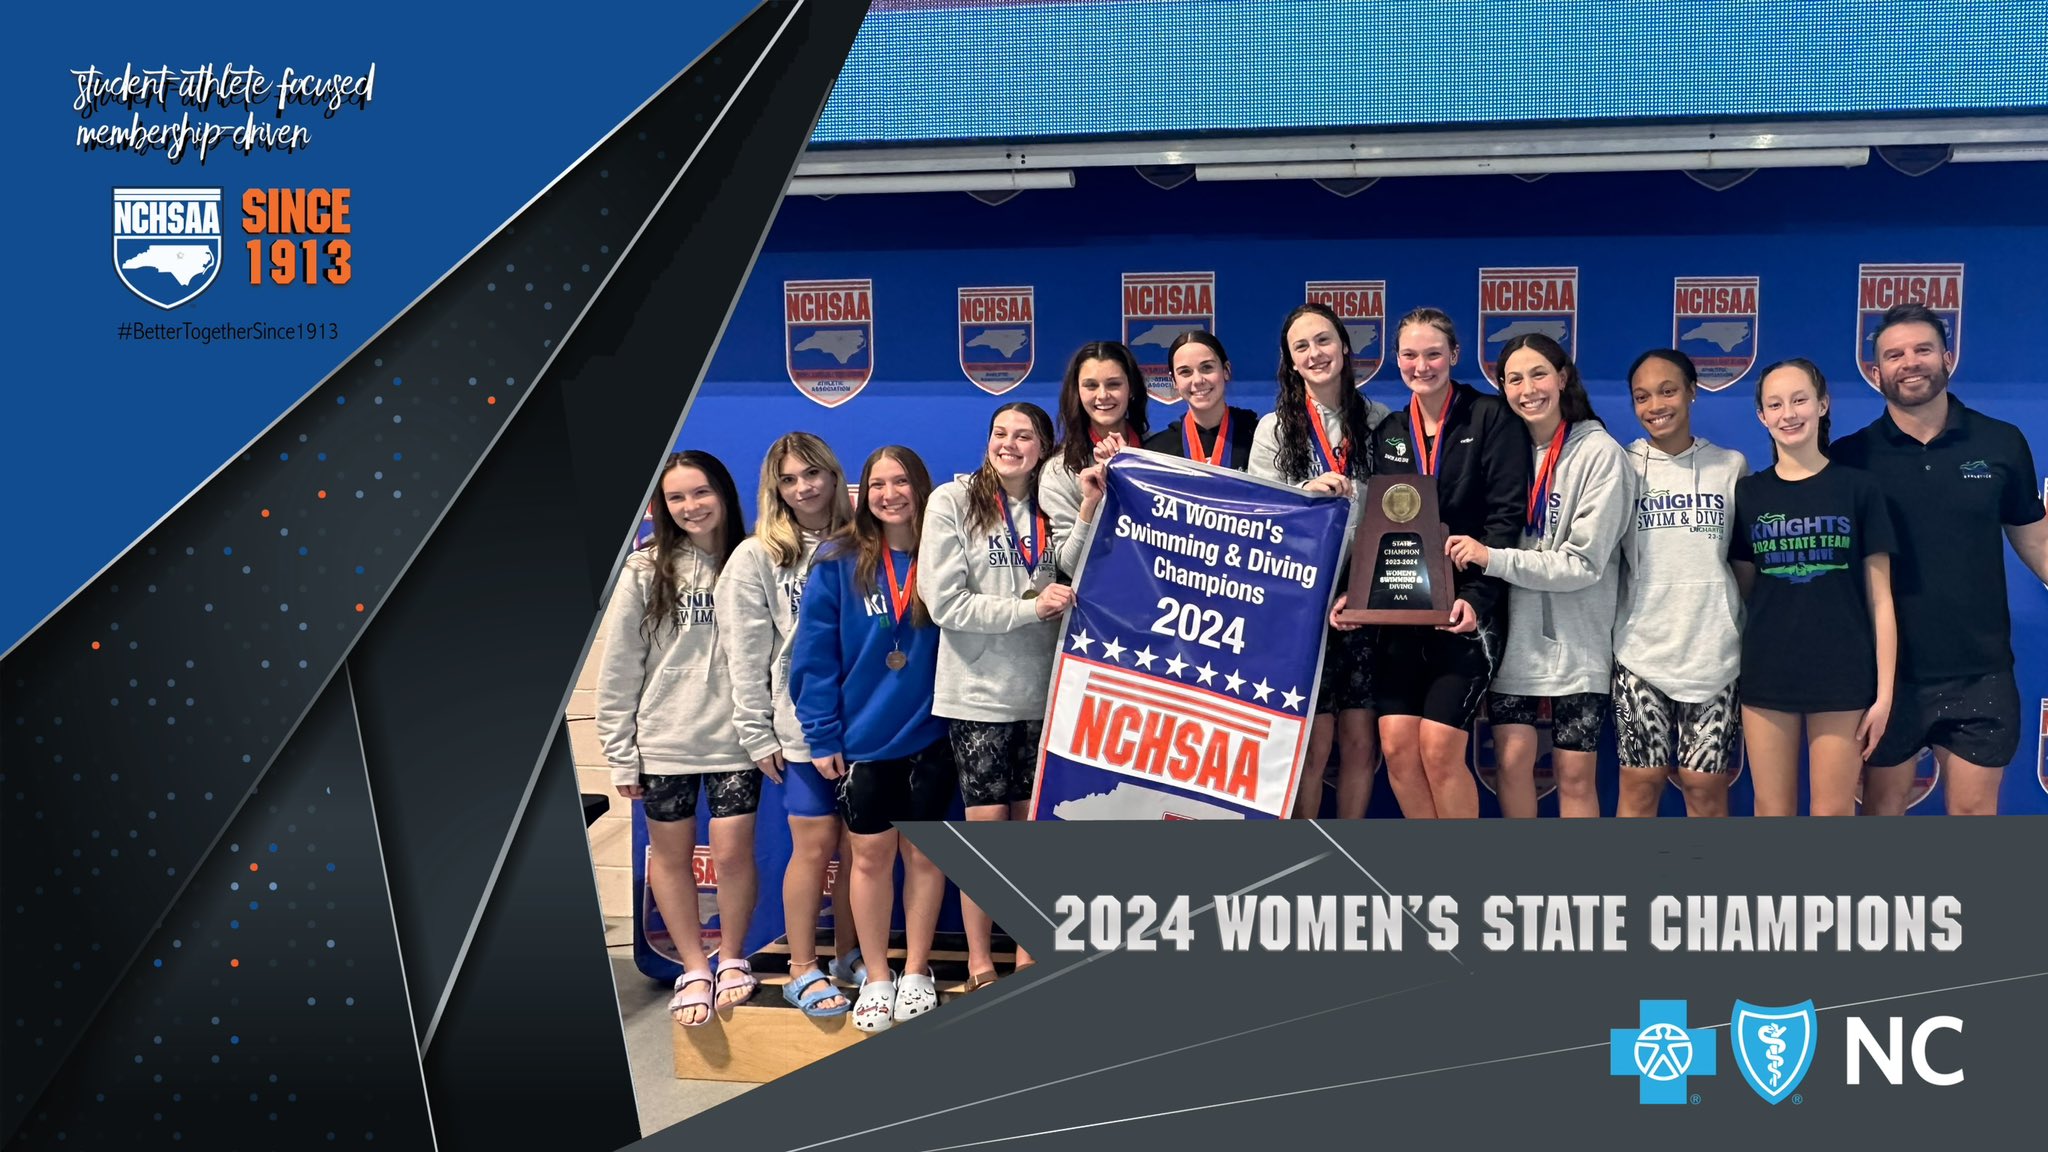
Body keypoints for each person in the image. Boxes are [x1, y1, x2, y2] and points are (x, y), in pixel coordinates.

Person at [1834, 302, 2048, 816]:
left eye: (1923, 349)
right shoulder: (1849, 459)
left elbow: (2038, 542)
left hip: (1980, 671)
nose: (1910, 362)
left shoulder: (2001, 442)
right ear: (1875, 372)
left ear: (1947, 358)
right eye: (1895, 355)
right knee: (1881, 815)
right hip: (1885, 676)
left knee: (1973, 820)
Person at [1335, 307, 1528, 820]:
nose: (1421, 366)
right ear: (1396, 359)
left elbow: (1506, 518)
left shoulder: (1490, 417)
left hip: (1466, 614)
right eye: (1410, 355)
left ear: (1455, 355)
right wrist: (1357, 592)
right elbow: (1380, 526)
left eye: (1433, 354)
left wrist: (1477, 599)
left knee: (1440, 750)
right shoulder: (1390, 430)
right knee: (1397, 747)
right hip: (1404, 612)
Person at [790, 446, 953, 1032]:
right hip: (862, 737)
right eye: (878, 484)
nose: (890, 494)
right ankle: (879, 974)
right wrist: (822, 733)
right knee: (870, 857)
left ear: (921, 486)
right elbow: (813, 656)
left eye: (901, 481)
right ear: (864, 492)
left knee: (925, 856)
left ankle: (917, 969)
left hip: (933, 732)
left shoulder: (944, 550)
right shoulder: (840, 558)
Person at [596, 451, 760, 1026]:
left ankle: (732, 958)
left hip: (737, 741)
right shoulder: (645, 569)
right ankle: (693, 966)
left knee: (733, 854)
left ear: (724, 494)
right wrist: (620, 753)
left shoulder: (754, 559)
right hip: (664, 742)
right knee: (671, 858)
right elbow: (619, 666)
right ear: (662, 507)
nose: (691, 506)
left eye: (701, 492)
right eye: (676, 497)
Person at [1444, 334, 1629, 818]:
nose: (1528, 389)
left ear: (1563, 378)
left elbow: (1583, 564)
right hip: (1513, 641)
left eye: (1539, 374)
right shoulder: (1499, 449)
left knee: (1575, 776)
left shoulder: (1600, 453)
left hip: (1580, 642)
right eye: (1514, 379)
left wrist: (1491, 558)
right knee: (1510, 764)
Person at [920, 402, 1070, 989]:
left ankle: (1029, 955)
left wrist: (1086, 506)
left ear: (1043, 446)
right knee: (987, 837)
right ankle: (980, 962)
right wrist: (1029, 609)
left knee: (1034, 839)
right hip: (978, 694)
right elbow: (944, 603)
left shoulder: (1054, 503)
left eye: (1024, 435)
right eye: (1000, 433)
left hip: (1046, 693)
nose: (1010, 444)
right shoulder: (953, 501)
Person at [717, 432, 864, 1018]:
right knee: (815, 847)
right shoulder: (757, 556)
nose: (803, 487)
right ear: (774, 489)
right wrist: (757, 732)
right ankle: (803, 967)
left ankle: (850, 954)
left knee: (862, 848)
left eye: (812, 474)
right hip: (802, 730)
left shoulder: (864, 540)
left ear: (833, 475)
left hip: (868, 724)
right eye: (789, 479)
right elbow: (745, 654)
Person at [1730, 359, 1897, 817]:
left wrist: (1884, 694)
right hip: (1768, 671)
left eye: (1800, 400)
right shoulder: (1749, 495)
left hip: (1843, 674)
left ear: (1822, 404)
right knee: (1772, 810)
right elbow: (1745, 591)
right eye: (1775, 404)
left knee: (1832, 812)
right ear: (1761, 416)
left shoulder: (1859, 488)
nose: (1788, 413)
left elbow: (1881, 600)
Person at [1247, 303, 1392, 819]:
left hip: (1365, 593)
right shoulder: (1273, 429)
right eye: (1301, 346)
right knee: (1313, 745)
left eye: (1324, 340)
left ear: (1345, 347)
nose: (1315, 353)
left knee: (1360, 742)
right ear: (1290, 361)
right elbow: (1257, 517)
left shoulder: (1379, 421)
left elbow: (1400, 510)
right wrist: (1305, 493)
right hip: (1301, 601)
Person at [1609, 350, 1748, 818]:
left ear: (1692, 391)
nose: (1655, 406)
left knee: (1705, 788)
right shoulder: (1621, 466)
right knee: (1640, 783)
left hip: (1715, 653)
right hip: (1640, 651)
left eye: (1667, 391)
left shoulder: (1730, 466)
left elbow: (1742, 562)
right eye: (1642, 396)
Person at [1041, 341, 1149, 577]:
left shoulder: (1159, 453)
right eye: (1091, 385)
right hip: (1100, 597)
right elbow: (1071, 567)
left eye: (1114, 384)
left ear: (1131, 388)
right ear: (1077, 392)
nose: (1102, 395)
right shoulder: (1060, 470)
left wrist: (1131, 471)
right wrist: (1089, 504)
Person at [1141, 330, 1259, 470]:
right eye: (1185, 372)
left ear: (1226, 370)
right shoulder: (1156, 452)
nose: (1197, 380)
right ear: (1174, 381)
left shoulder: (1259, 439)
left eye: (1207, 367)